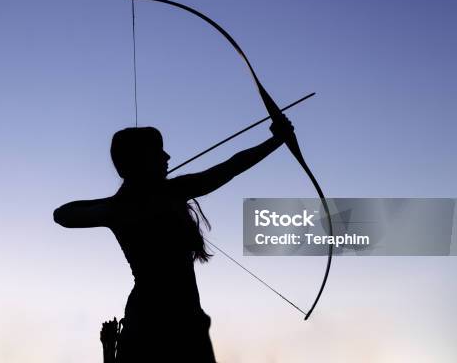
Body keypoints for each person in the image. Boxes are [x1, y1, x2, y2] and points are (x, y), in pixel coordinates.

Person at [54, 116, 296, 363]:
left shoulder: (167, 192)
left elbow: (230, 167)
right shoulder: (126, 206)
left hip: (185, 320)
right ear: (139, 160)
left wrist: (276, 140)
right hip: (150, 324)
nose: (167, 157)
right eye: (157, 152)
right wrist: (123, 200)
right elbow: (62, 214)